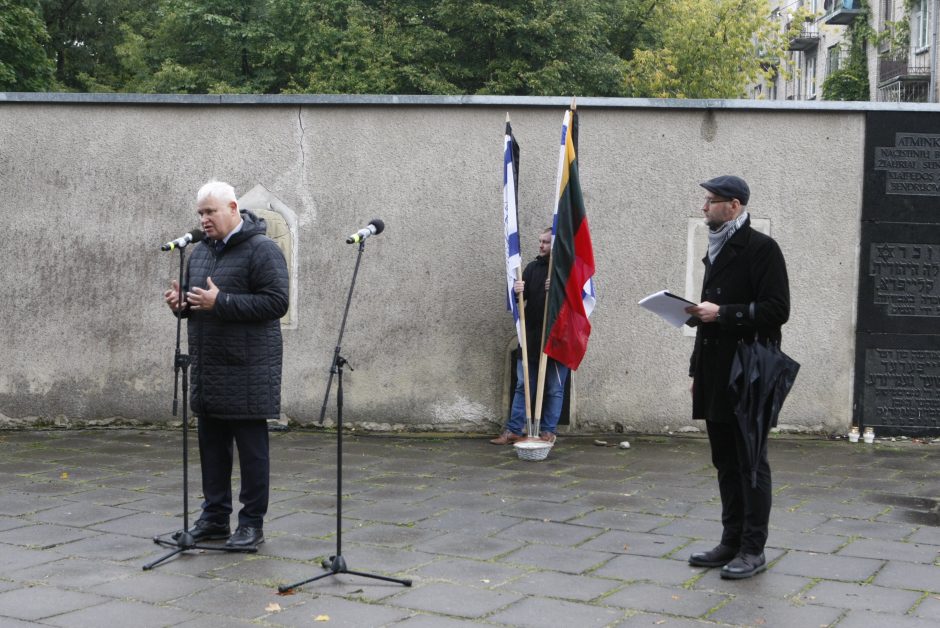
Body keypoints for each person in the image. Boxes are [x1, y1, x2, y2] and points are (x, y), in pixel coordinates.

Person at [163, 180, 289, 549]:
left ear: (233, 209)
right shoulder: (199, 251)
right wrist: (180, 304)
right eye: (200, 213)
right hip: (209, 366)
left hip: (249, 369)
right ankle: (214, 518)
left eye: (210, 212)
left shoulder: (263, 249)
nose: (203, 220)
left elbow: (276, 303)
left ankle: (251, 524)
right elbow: (201, 303)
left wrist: (223, 302)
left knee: (252, 455)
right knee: (212, 451)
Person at [683, 175, 790, 579]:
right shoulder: (716, 247)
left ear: (734, 205)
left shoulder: (762, 249)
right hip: (715, 369)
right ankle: (730, 541)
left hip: (749, 371)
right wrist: (697, 369)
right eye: (705, 200)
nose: (704, 207)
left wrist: (722, 314)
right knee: (724, 460)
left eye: (710, 201)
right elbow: (711, 313)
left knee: (750, 462)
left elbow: (777, 310)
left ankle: (752, 549)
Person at [491, 228, 570, 445]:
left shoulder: (565, 270)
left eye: (545, 242)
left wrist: (558, 289)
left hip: (557, 339)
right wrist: (516, 290)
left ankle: (547, 431)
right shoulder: (533, 268)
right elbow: (517, 301)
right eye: (540, 241)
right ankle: (514, 430)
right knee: (523, 385)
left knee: (554, 388)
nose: (541, 245)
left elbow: (577, 302)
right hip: (532, 338)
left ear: (555, 245)